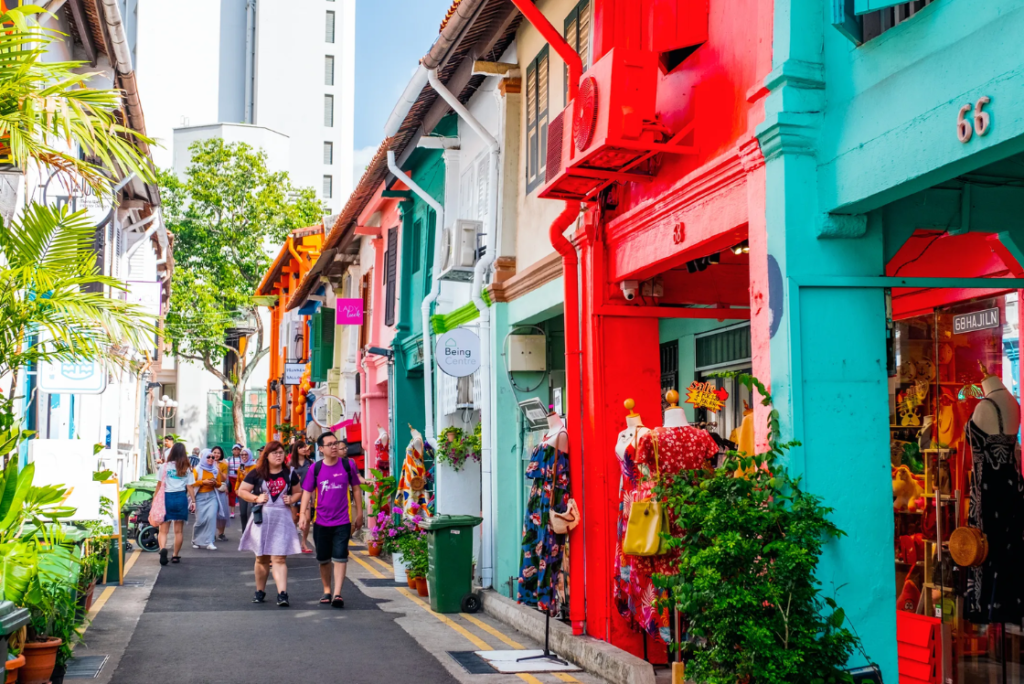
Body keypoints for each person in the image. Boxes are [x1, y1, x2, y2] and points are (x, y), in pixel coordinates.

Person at [300, 432, 363, 608]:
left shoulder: (347, 465)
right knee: (323, 559)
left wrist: (360, 514)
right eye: (330, 444)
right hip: (321, 521)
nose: (334, 446)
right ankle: (327, 590)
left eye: (336, 443)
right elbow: (306, 492)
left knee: (341, 557)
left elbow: (356, 489)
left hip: (343, 521)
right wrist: (303, 514)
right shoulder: (316, 468)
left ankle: (337, 593)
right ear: (321, 449)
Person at [237, 441, 302, 606]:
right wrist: (256, 498)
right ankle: (260, 591)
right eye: (274, 453)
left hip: (282, 517)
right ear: (266, 456)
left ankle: (282, 594)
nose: (279, 455)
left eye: (281, 452)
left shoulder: (290, 473)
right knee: (261, 557)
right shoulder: (257, 473)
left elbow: (298, 492)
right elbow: (242, 491)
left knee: (279, 558)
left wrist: (292, 499)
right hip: (263, 518)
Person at [156, 443, 196, 565]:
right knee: (178, 531)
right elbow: (189, 486)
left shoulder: (164, 466)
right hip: (180, 498)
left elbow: (159, 485)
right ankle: (175, 555)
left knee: (163, 530)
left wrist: (154, 501)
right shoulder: (187, 468)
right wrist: (193, 501)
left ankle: (163, 549)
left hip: (166, 498)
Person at [191, 449, 224, 550]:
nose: (211, 459)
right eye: (208, 457)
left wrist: (214, 483)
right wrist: (202, 482)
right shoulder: (197, 469)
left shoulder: (215, 470)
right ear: (203, 457)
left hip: (212, 496)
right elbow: (191, 482)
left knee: (211, 518)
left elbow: (219, 483)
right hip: (200, 497)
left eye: (212, 457)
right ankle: (195, 540)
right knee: (200, 520)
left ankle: (210, 542)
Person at [290, 441, 315, 553]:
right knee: (294, 519)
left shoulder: (311, 463)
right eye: (302, 447)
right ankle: (292, 542)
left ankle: (303, 542)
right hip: (294, 494)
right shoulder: (290, 465)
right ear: (296, 450)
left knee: (307, 519)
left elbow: (314, 481)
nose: (305, 449)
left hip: (307, 494)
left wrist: (313, 497)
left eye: (305, 447)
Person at [235, 448, 256, 529]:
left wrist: (246, 474)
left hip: (252, 493)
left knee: (249, 513)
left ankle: (251, 533)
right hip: (242, 493)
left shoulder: (254, 466)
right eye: (242, 455)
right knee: (243, 514)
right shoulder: (240, 466)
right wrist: (236, 489)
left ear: (250, 455)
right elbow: (238, 480)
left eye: (246, 454)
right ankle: (244, 533)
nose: (244, 456)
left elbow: (255, 480)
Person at [214, 446, 231, 542]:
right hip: (210, 491)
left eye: (218, 453)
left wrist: (218, 469)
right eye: (214, 452)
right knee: (212, 514)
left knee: (223, 512)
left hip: (220, 491)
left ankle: (221, 533)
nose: (216, 455)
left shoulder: (224, 465)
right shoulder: (207, 463)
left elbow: (224, 478)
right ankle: (211, 534)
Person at [226, 444, 244, 519]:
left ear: (240, 451)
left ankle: (242, 511)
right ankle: (232, 512)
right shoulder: (229, 459)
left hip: (240, 479)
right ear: (232, 451)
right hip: (231, 479)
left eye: (238, 449)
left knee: (241, 495)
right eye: (235, 449)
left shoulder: (242, 459)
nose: (236, 451)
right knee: (232, 495)